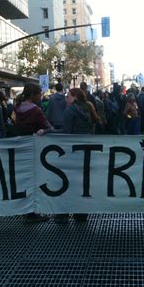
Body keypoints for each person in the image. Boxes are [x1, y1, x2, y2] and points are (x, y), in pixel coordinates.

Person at [43, 88, 95, 224]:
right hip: (84, 152)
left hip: (70, 152)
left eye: (68, 97)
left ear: (74, 98)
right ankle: (81, 213)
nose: (66, 99)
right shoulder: (88, 109)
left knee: (64, 183)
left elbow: (66, 132)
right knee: (81, 184)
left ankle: (62, 214)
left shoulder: (70, 110)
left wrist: (47, 131)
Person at [14, 83, 51, 223]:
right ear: (33, 95)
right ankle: (32, 213)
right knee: (35, 180)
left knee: (24, 180)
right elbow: (48, 127)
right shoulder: (36, 111)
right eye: (39, 93)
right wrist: (46, 131)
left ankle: (25, 210)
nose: (40, 96)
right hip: (35, 150)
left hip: (20, 148)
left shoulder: (17, 108)